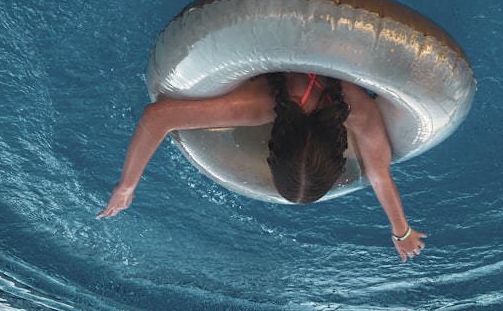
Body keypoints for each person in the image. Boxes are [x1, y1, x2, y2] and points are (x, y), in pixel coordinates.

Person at [98, 72, 427, 262]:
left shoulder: (355, 109)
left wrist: (403, 230)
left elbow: (378, 174)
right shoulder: (265, 106)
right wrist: (125, 187)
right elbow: (157, 117)